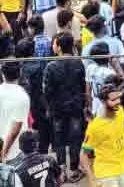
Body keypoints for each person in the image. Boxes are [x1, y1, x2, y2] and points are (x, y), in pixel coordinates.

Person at [42, 33, 85, 182]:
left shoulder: (51, 67)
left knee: (59, 139)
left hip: (58, 109)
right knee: (75, 138)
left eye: (55, 44)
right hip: (75, 107)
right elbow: (82, 86)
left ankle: (61, 170)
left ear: (59, 47)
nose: (53, 46)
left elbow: (47, 91)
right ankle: (74, 169)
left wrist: (48, 107)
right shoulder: (78, 63)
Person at [81, 83, 124, 187]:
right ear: (103, 101)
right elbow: (83, 155)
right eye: (113, 100)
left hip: (123, 170)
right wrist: (92, 179)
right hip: (106, 175)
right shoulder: (95, 126)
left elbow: (121, 135)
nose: (118, 102)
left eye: (118, 98)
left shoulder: (120, 111)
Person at [0, 62, 29, 162]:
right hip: (14, 152)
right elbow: (15, 129)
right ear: (20, 73)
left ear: (2, 74)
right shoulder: (22, 96)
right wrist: (4, 152)